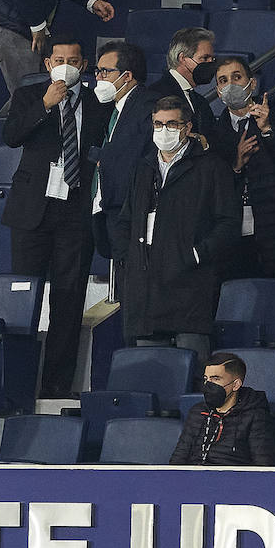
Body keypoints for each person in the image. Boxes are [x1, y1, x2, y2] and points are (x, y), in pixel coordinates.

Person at [1, 37, 109, 397]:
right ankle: (18, 380)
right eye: (59, 59)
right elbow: (11, 135)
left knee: (69, 298)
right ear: (47, 64)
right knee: (23, 298)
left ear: (85, 65)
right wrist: (46, 107)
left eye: (73, 60)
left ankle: (56, 386)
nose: (66, 65)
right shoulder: (29, 96)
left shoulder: (99, 103)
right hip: (32, 209)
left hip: (75, 211)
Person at [110, 96, 239, 362]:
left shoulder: (211, 167)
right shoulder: (143, 168)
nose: (163, 130)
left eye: (171, 124)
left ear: (188, 127)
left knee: (193, 371)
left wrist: (195, 254)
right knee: (150, 373)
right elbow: (125, 220)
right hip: (145, 287)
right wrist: (128, 257)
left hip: (189, 286)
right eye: (158, 124)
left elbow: (228, 223)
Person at [208, 57, 275, 281]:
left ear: (252, 84)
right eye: (223, 80)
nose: (230, 84)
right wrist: (237, 166)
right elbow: (210, 187)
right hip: (232, 237)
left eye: (237, 77)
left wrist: (268, 131)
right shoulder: (213, 133)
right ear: (218, 92)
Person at [90, 40, 155, 267]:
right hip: (112, 208)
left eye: (106, 72)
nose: (99, 78)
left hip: (130, 213)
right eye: (97, 71)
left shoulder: (147, 106)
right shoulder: (115, 108)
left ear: (127, 76)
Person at [168, 352, 275, 465]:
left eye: (216, 379)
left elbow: (263, 467)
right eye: (206, 379)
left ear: (236, 385)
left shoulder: (256, 416)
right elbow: (178, 458)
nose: (208, 385)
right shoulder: (197, 412)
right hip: (194, 479)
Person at [147, 27, 217, 135]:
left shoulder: (200, 101)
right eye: (205, 58)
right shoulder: (155, 95)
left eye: (212, 59)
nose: (210, 64)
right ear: (183, 58)